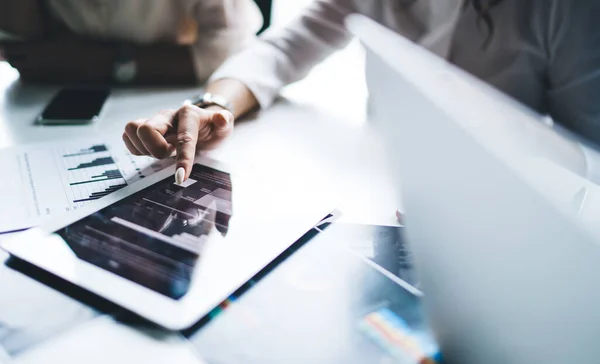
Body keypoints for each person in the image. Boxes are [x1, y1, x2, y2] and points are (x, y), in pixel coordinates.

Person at [122, 0, 600, 183]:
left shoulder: (568, 11)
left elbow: (591, 152)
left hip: (498, 207)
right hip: (375, 185)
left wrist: (506, 144)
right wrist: (216, 106)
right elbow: (285, 48)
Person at [0, 0, 262, 85]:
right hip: (50, 94)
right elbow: (17, 48)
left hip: (160, 95)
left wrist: (102, 62)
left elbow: (230, 45)